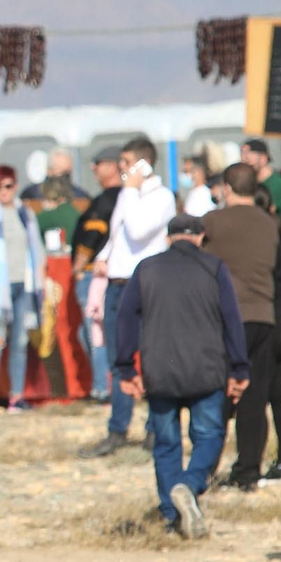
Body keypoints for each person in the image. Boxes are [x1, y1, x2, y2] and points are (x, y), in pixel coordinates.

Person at [115, 214, 249, 539]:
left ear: (168, 238)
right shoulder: (214, 268)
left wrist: (125, 368)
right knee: (209, 436)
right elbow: (232, 319)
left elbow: (125, 318)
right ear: (201, 237)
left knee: (165, 445)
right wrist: (239, 368)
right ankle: (188, 485)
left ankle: (172, 518)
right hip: (207, 369)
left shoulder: (146, 268)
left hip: (159, 371)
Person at [79, 137, 176, 458]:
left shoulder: (161, 197)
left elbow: (136, 230)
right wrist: (104, 255)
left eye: (126, 162)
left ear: (143, 164)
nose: (121, 169)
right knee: (118, 358)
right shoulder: (127, 194)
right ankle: (117, 429)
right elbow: (118, 231)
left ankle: (155, 429)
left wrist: (132, 189)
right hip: (117, 284)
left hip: (146, 283)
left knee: (150, 358)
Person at [202, 163, 281, 490]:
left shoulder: (213, 222)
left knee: (218, 397)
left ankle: (206, 467)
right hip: (262, 318)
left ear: (226, 187)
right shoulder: (271, 225)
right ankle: (248, 471)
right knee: (255, 397)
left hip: (224, 318)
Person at [0, 166, 46, 411]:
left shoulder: (26, 214)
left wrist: (40, 276)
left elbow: (36, 248)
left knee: (19, 343)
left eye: (7, 186)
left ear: (15, 186)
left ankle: (16, 396)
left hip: (23, 285)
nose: (2, 192)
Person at [70, 147, 124, 402]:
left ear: (113, 166)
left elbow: (92, 235)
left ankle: (102, 388)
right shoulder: (126, 197)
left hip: (97, 274)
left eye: (98, 163)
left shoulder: (106, 200)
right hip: (111, 273)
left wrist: (79, 265)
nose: (93, 168)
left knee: (95, 332)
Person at [242, 140, 281, 226]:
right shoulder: (252, 182)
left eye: (248, 160)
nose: (244, 162)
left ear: (263, 158)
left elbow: (267, 211)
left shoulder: (277, 183)